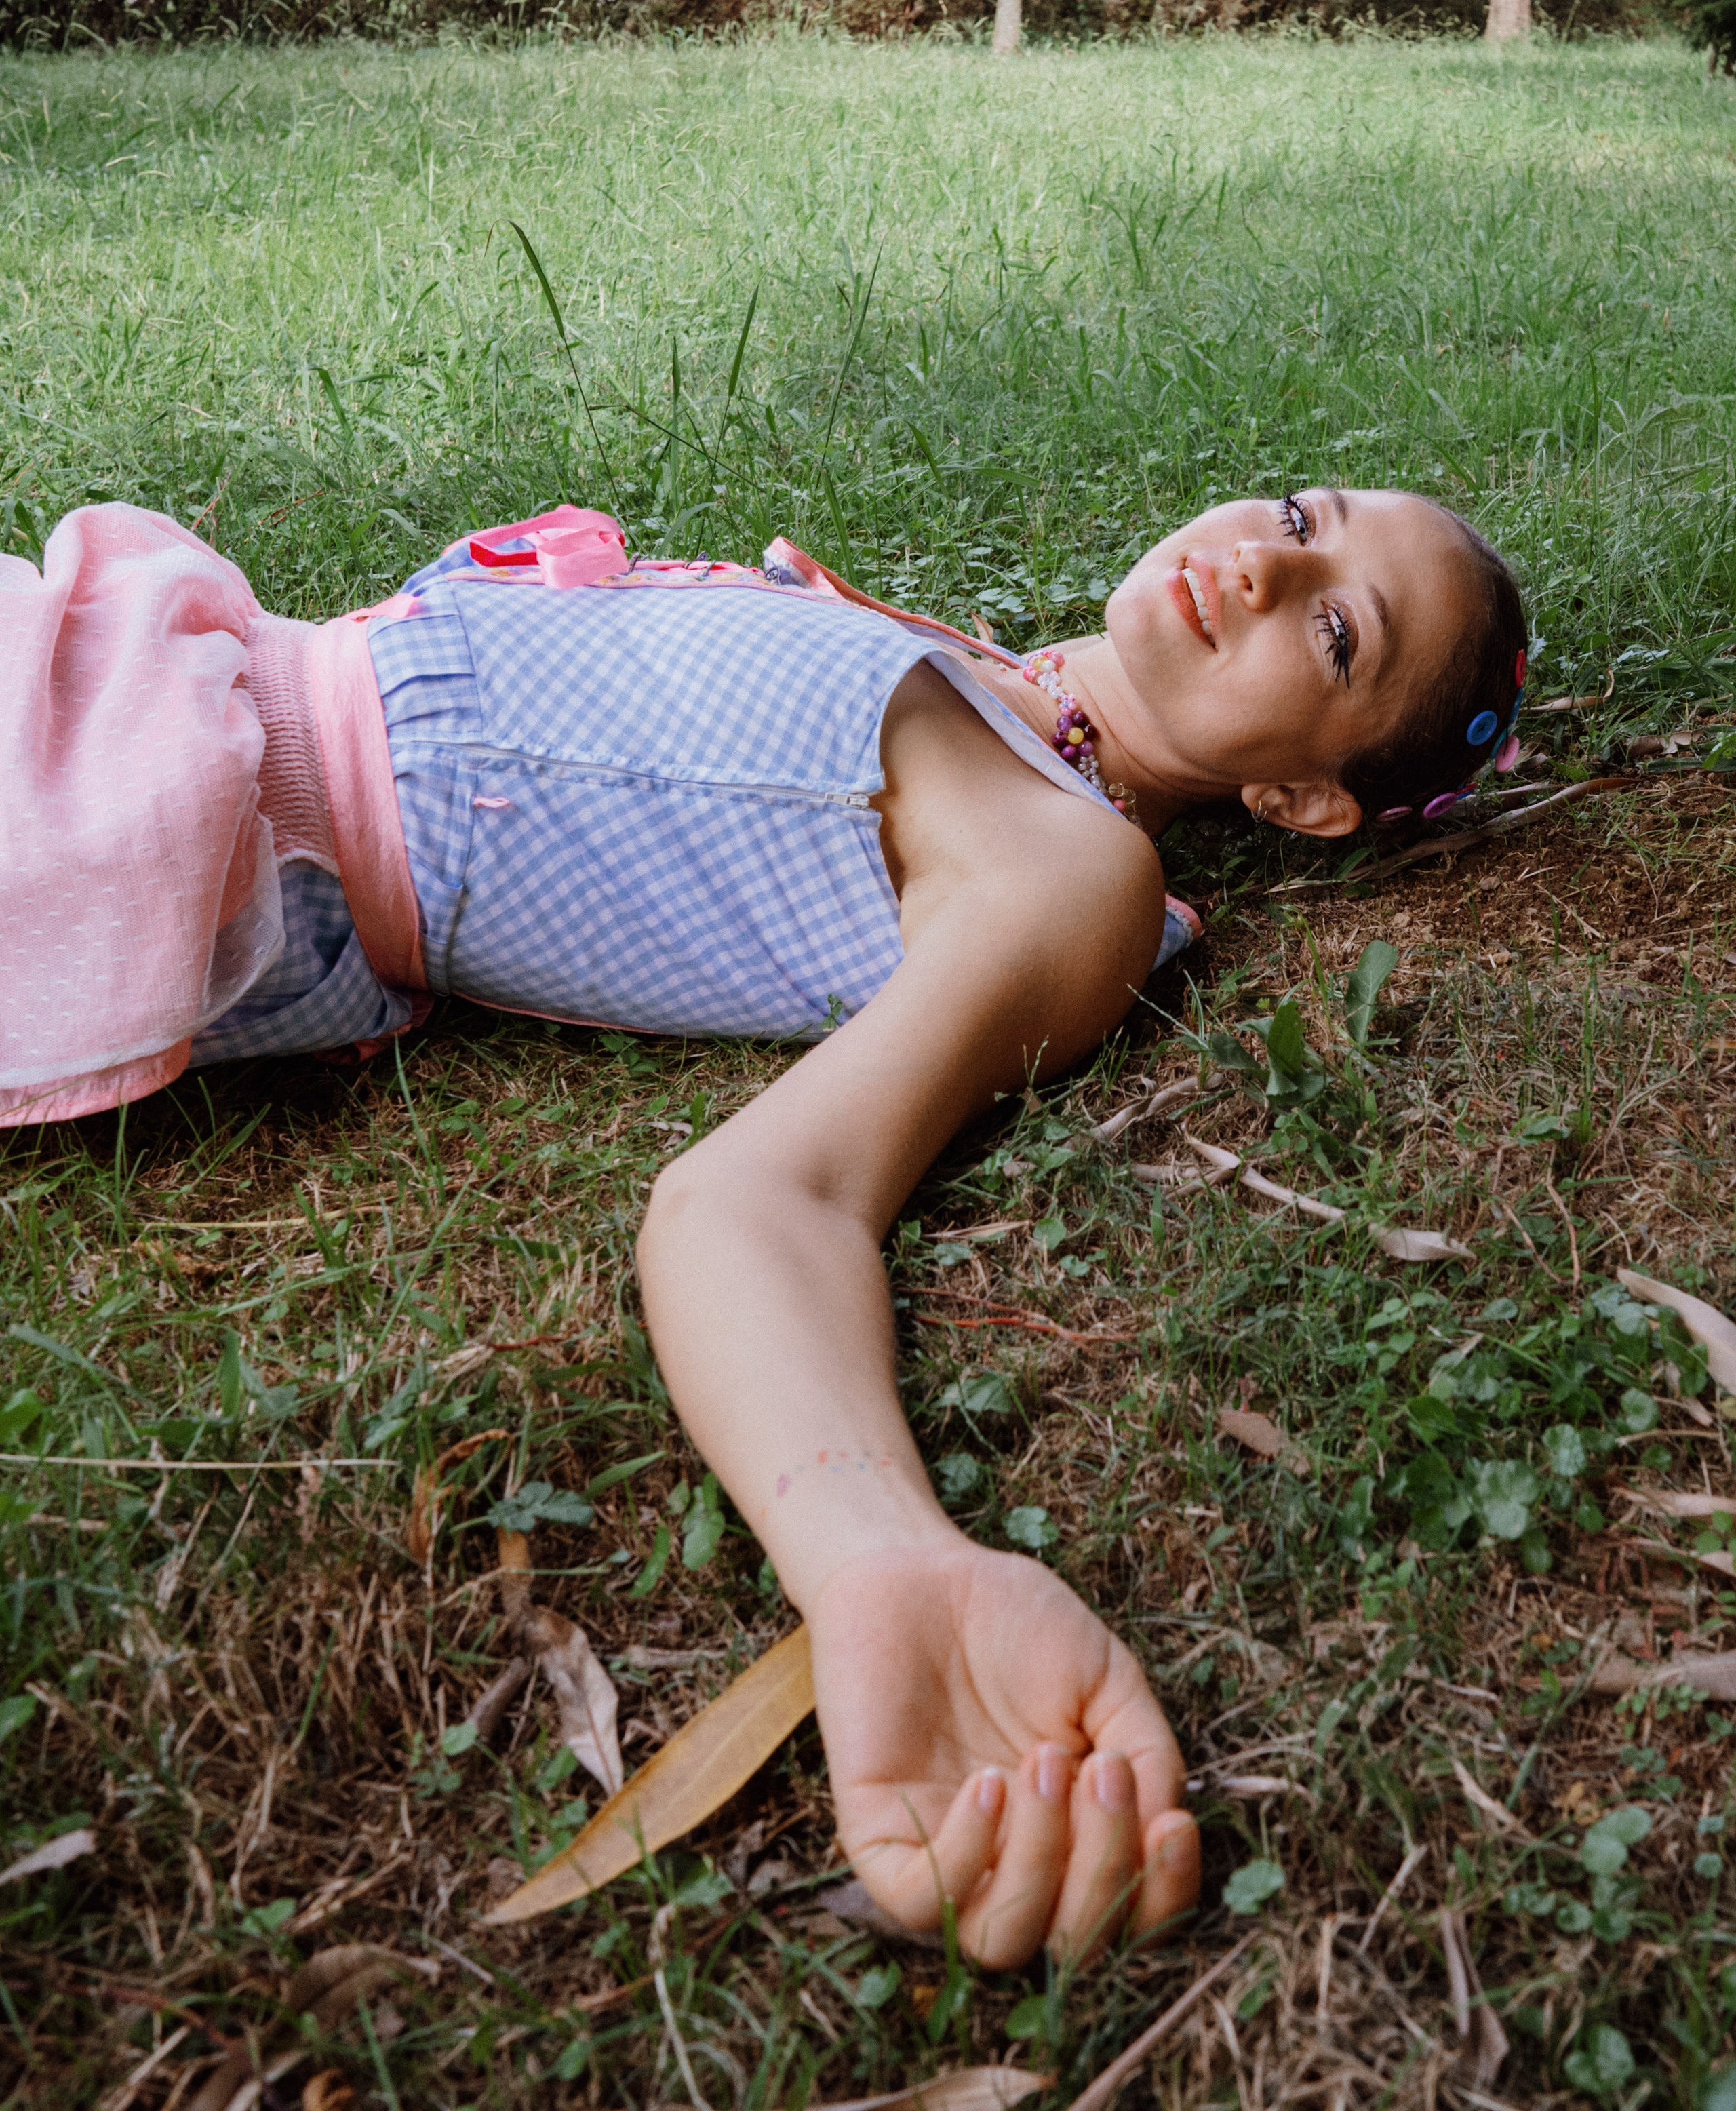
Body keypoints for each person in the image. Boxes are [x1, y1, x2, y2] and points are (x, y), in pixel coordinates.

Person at [0, 488, 1527, 1966]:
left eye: (1339, 636)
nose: (1266, 565)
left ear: (1301, 800)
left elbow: (765, 1197)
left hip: (161, 810)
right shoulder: (978, 673)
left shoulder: (1071, 866)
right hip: (148, 660)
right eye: (1302, 516)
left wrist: (882, 1566)